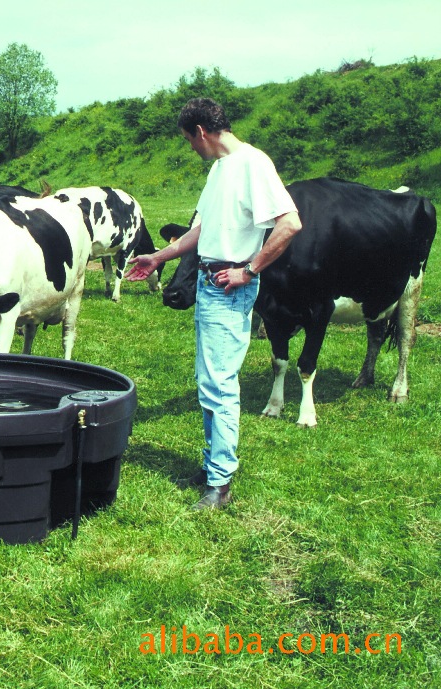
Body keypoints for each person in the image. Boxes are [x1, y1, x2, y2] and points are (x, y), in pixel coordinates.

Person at [125, 98, 302, 511]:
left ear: (201, 132)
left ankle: (220, 483)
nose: (191, 147)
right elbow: (200, 229)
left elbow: (289, 222)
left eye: (189, 140)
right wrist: (159, 257)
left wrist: (249, 269)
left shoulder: (253, 164)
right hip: (209, 283)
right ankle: (212, 467)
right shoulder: (221, 169)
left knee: (220, 385)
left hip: (229, 287)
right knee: (210, 382)